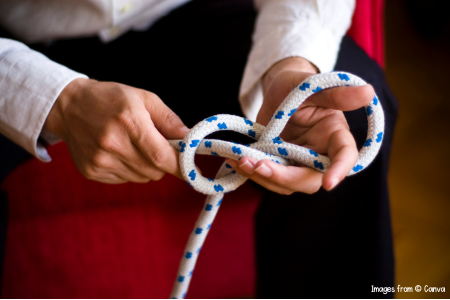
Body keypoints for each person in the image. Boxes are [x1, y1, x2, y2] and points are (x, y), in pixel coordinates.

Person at [0, 0, 396, 297]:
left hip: (188, 14)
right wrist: (58, 100)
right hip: (23, 41)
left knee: (349, 121)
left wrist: (291, 65)